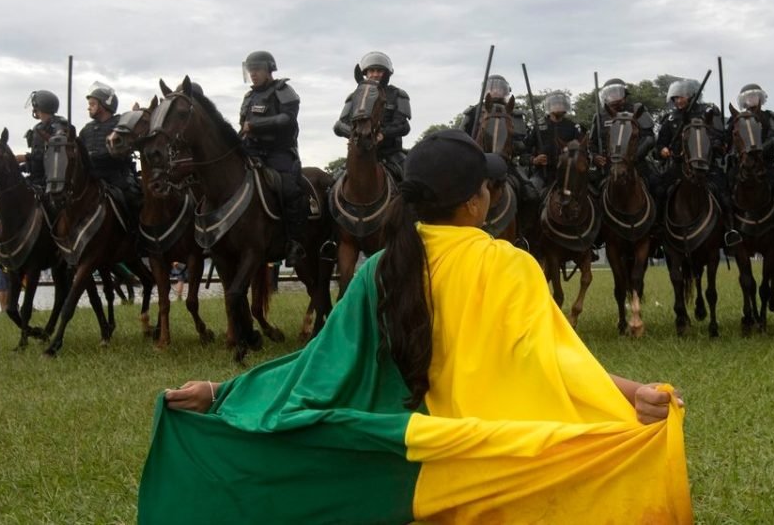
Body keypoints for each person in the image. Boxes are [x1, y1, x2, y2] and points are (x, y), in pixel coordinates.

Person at [142, 129, 691, 524]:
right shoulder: (509, 264)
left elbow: (316, 366)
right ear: (475, 202)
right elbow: (554, 364)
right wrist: (634, 395)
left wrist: (222, 393)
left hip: (413, 459)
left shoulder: (379, 267)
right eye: (488, 188)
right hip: (490, 467)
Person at [239, 50, 309, 267]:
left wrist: (255, 126)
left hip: (278, 152)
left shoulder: (283, 90)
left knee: (290, 189)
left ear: (269, 70)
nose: (253, 74)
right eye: (250, 70)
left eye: (257, 70)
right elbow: (242, 125)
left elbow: (287, 119)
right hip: (252, 151)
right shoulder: (249, 97)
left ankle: (295, 243)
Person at [656, 78, 741, 246]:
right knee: (659, 190)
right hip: (679, 165)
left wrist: (715, 145)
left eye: (681, 97)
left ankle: (730, 230)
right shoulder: (670, 118)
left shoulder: (708, 112)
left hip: (706, 165)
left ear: (691, 95)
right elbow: (661, 143)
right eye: (675, 98)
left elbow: (719, 135)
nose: (678, 101)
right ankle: (658, 230)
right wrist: (663, 150)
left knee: (723, 192)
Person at [333, 51, 411, 182]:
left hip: (390, 154)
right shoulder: (355, 95)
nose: (375, 74)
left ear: (386, 74)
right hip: (360, 154)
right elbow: (339, 126)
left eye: (379, 71)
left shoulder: (398, 94)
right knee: (333, 184)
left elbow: (404, 126)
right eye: (372, 71)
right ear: (366, 73)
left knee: (413, 183)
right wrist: (356, 134)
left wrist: (382, 134)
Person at [459, 74, 538, 202]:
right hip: (476, 161)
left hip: (506, 163)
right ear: (486, 90)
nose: (495, 91)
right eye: (492, 88)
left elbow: (521, 145)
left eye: (499, 88)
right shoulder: (473, 112)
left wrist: (512, 146)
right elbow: (460, 138)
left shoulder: (514, 113)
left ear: (506, 91)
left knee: (531, 194)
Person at [79, 82, 141, 226]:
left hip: (116, 176)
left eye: (92, 104)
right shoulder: (86, 129)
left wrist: (134, 118)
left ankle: (137, 232)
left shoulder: (120, 124)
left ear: (104, 105)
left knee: (134, 199)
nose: (89, 107)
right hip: (91, 177)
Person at [587, 78, 656, 195]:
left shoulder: (636, 109)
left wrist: (630, 158)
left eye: (616, 93)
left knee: (658, 187)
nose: (613, 96)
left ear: (624, 94)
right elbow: (591, 144)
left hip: (636, 163)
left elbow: (649, 139)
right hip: (607, 166)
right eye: (610, 93)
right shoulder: (599, 117)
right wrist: (594, 157)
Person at [725, 83, 774, 202]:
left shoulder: (770, 116)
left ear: (760, 98)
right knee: (727, 183)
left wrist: (757, 150)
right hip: (743, 162)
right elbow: (729, 141)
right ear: (744, 100)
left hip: (766, 161)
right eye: (749, 97)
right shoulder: (736, 119)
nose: (751, 99)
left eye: (754, 96)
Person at [527, 91, 580, 196]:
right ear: (549, 106)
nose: (558, 106)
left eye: (561, 104)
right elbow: (524, 151)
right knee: (530, 193)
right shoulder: (537, 127)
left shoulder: (573, 127)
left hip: (567, 172)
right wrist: (534, 160)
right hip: (542, 173)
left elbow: (582, 151)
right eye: (555, 104)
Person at [16, 90, 70, 186]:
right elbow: (37, 162)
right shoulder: (38, 127)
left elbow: (55, 153)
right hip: (36, 178)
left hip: (51, 179)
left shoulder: (58, 126)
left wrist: (25, 158)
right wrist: (21, 167)